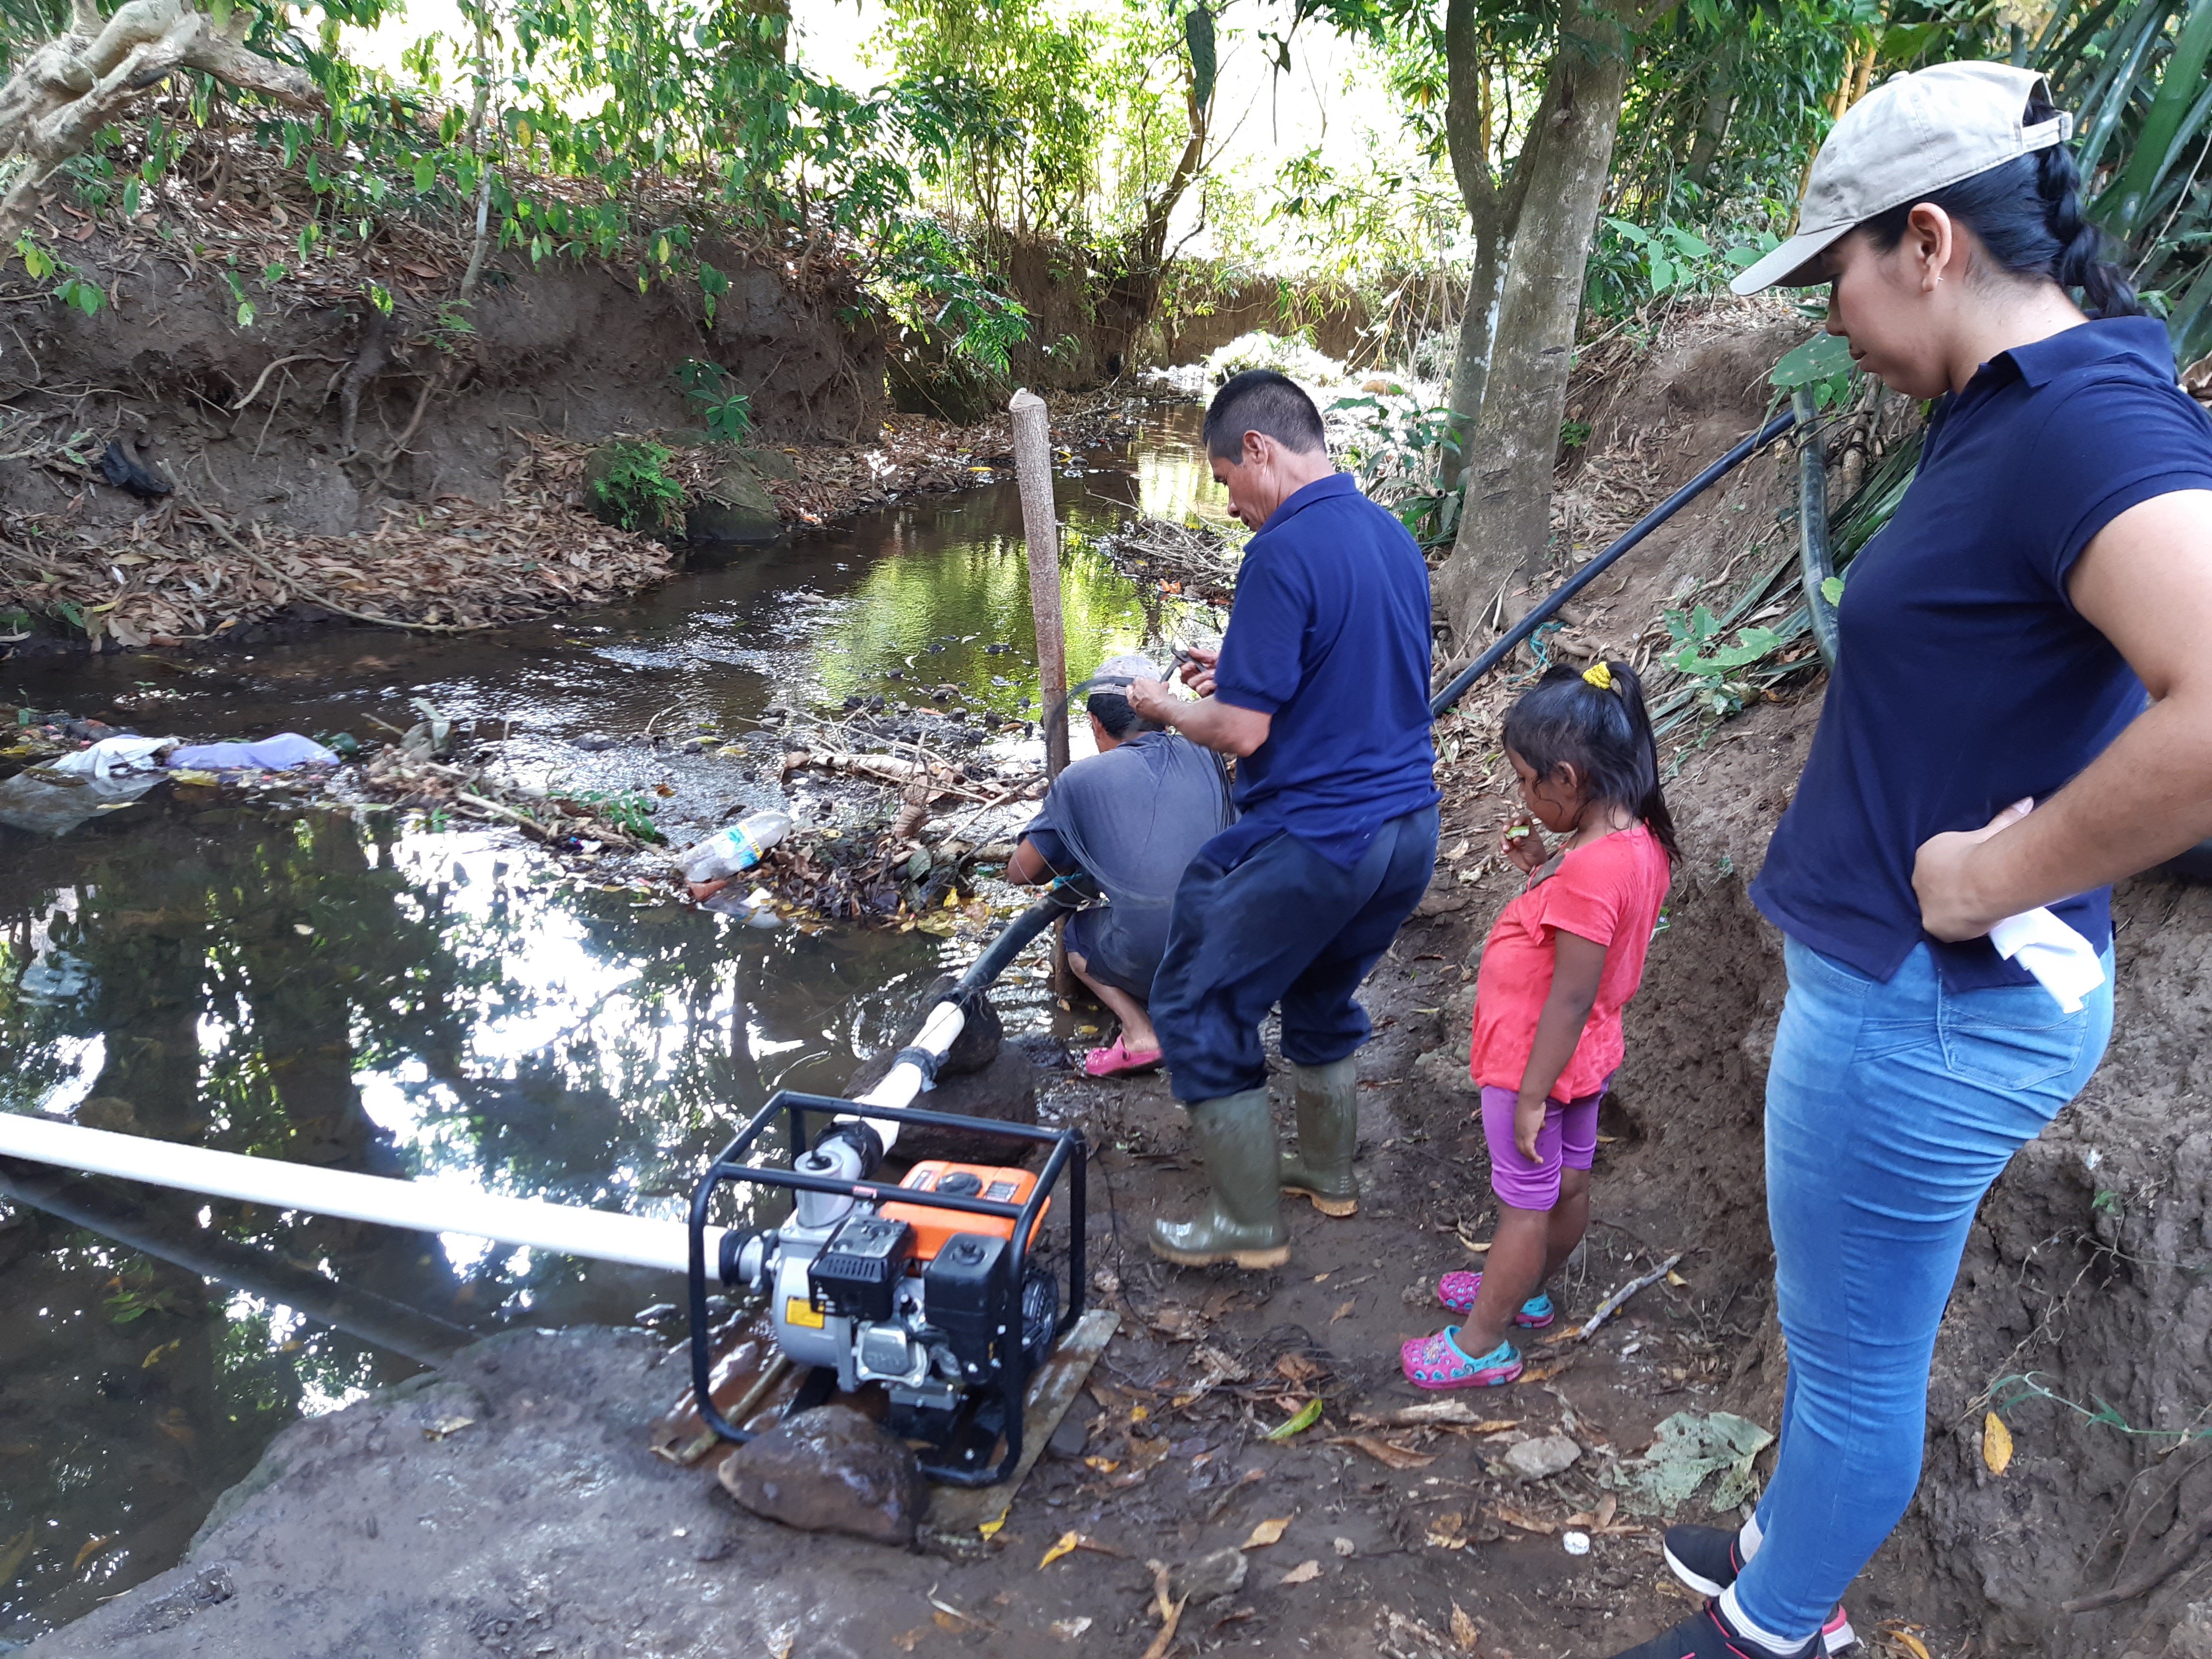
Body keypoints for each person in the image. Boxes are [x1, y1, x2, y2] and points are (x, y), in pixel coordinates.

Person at [1609, 61, 2212, 1659]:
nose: (1834, 319)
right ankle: (1777, 1535)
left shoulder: (2077, 422)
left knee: (1857, 1358)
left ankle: (1767, 1626)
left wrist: (1989, 874)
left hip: (1926, 1003)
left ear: (1925, 241)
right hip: (1905, 990)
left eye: (1836, 276)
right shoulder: (2005, 413)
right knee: (1837, 1339)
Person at [1124, 369, 1440, 1269]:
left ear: (1257, 449)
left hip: (1323, 835)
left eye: (1226, 480)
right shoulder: (1388, 534)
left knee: (1196, 996)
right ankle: (1327, 1173)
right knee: (1317, 991)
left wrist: (1164, 705)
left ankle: (1245, 1224)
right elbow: (1355, 674)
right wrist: (1244, 667)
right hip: (1406, 830)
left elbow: (1237, 732)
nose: (1230, 506)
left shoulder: (1280, 549)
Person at [1400, 660, 1674, 1390]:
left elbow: (1570, 995)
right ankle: (1528, 1293)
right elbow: (1590, 935)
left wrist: (1529, 1095)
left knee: (1524, 1206)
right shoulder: (1634, 843)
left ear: (1568, 778)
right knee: (1567, 1188)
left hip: (1537, 1062)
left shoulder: (1591, 873)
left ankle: (1480, 1344)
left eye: (1528, 781)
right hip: (1586, 1059)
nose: (1523, 795)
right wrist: (1541, 866)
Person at [1007, 655, 1236, 1077]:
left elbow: (1021, 872)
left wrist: (1074, 837)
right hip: (1236, 950)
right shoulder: (1207, 755)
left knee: (1078, 938)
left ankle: (1139, 1034)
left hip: (1161, 954)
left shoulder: (1081, 780)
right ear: (1160, 716)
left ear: (1095, 722)